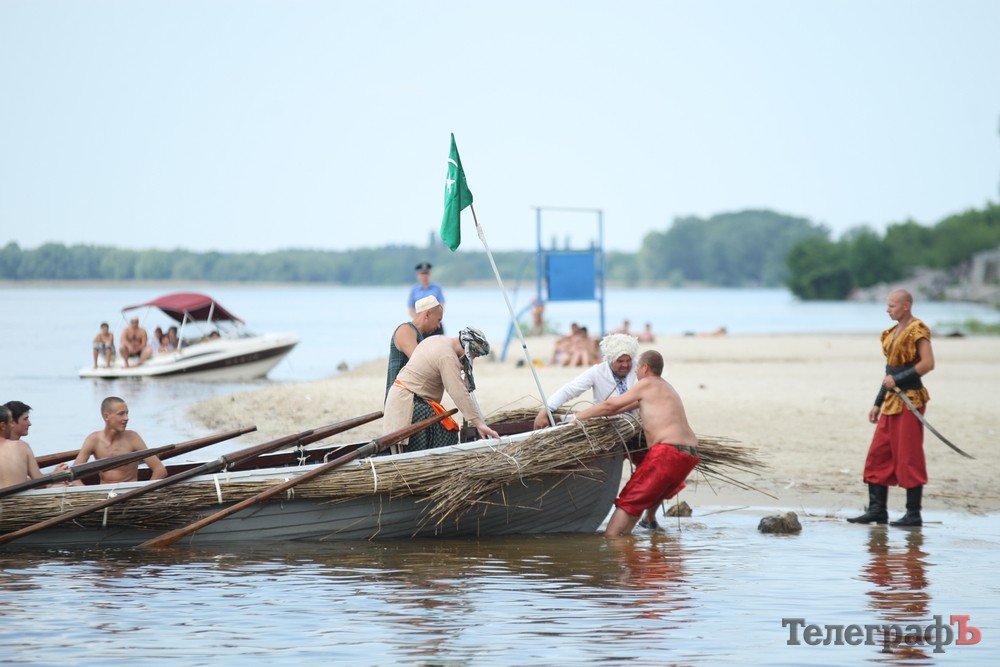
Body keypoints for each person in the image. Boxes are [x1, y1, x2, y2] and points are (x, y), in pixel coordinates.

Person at [533, 333, 659, 530]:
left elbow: (653, 394)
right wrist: (546, 409)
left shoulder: (641, 371)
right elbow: (569, 390)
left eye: (628, 360)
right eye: (620, 361)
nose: (625, 365)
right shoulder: (597, 372)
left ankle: (649, 518)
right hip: (608, 432)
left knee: (655, 472)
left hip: (640, 430)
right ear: (609, 359)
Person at [570, 350, 700, 537]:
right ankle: (628, 551)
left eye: (637, 367)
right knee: (637, 504)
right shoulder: (665, 387)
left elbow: (610, 405)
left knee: (628, 502)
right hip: (690, 454)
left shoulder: (646, 384)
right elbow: (620, 408)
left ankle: (610, 545)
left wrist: (576, 418)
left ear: (645, 368)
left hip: (668, 452)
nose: (634, 372)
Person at [848, 289, 935, 528]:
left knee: (909, 456)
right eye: (888, 305)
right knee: (878, 454)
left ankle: (913, 514)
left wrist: (898, 380)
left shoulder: (918, 329)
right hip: (891, 402)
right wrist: (877, 401)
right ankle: (877, 511)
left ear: (906, 305)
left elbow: (928, 363)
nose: (888, 309)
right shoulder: (890, 333)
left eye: (892, 305)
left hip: (911, 401)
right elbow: (890, 372)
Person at [383, 327, 499, 453]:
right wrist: (479, 424)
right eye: (474, 355)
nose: (473, 359)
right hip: (409, 403)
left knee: (446, 431)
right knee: (446, 433)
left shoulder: (439, 340)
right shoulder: (447, 356)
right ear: (467, 349)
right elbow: (458, 391)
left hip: (404, 398)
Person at [71, 396, 167, 485]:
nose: (126, 418)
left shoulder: (133, 438)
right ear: (106, 416)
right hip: (103, 495)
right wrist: (88, 494)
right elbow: (73, 475)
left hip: (130, 493)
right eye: (121, 414)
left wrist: (143, 492)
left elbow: (160, 470)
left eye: (127, 413)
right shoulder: (93, 440)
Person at [385, 295, 445, 397]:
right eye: (439, 320)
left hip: (411, 396)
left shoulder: (418, 336)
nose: (439, 325)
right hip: (399, 400)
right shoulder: (405, 330)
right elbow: (420, 362)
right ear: (427, 314)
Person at [0, 405, 46, 487]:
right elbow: (40, 483)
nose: (12, 426)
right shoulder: (22, 446)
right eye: (10, 422)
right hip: (18, 499)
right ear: (3, 426)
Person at [407, 262, 446, 336]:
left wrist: (437, 319)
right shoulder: (414, 290)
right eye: (422, 274)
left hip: (435, 324)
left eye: (426, 273)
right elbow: (410, 308)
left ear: (429, 275)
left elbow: (442, 304)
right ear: (418, 275)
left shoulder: (437, 288)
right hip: (420, 326)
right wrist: (419, 320)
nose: (424, 276)